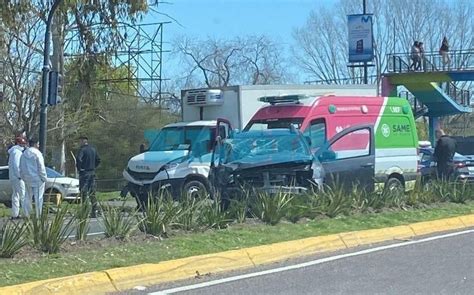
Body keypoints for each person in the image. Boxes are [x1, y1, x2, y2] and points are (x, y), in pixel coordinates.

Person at [20, 138, 47, 217]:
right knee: (38, 197)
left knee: (27, 197)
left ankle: (26, 214)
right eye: (38, 144)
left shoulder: (24, 154)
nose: (38, 146)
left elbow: (21, 167)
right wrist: (44, 178)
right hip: (37, 178)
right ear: (35, 144)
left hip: (27, 178)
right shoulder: (37, 153)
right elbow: (41, 167)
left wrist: (23, 177)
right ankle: (38, 215)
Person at [76, 136, 101, 217]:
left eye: (80, 141)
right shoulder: (93, 149)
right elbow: (98, 160)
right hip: (92, 173)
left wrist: (80, 168)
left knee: (83, 193)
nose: (79, 143)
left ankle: (84, 212)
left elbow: (79, 159)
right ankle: (94, 211)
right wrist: (93, 166)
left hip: (84, 173)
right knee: (92, 193)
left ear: (83, 141)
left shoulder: (82, 150)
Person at [8, 136, 27, 219]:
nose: (23, 145)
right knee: (23, 195)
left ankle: (15, 214)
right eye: (22, 144)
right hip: (18, 177)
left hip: (13, 177)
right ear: (18, 143)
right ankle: (25, 214)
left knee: (15, 195)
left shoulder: (13, 152)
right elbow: (16, 166)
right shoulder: (17, 152)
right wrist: (20, 176)